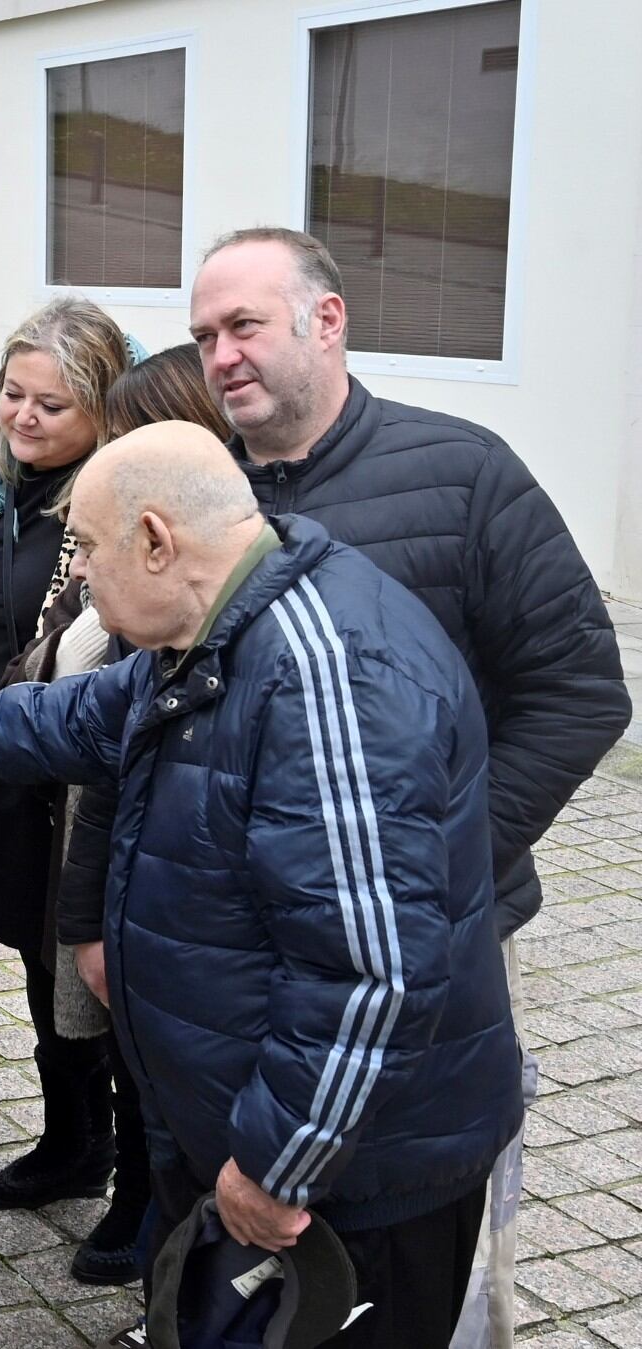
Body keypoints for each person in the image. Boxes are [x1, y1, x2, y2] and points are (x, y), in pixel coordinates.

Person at [0, 424, 526, 1349]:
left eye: (87, 551)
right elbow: (73, 714)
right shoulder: (214, 626)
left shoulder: (329, 681)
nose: (77, 580)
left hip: (348, 1186)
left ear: (158, 540)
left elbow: (371, 974)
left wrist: (279, 1166)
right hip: (246, 1139)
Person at [63, 228, 631, 1347]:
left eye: (244, 326)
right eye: (202, 335)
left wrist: (444, 855)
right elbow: (131, 718)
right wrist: (90, 912)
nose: (221, 355)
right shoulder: (203, 496)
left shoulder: (463, 476)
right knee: (246, 1212)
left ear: (327, 323)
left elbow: (580, 692)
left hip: (422, 958)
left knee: (428, 1257)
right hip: (233, 948)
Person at [0, 300, 138, 1273]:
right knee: (39, 964)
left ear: (103, 406)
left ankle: (132, 1176)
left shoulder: (116, 499)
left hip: (68, 788)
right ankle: (73, 1140)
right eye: (12, 392)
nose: (23, 415)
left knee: (98, 980)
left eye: (51, 402)